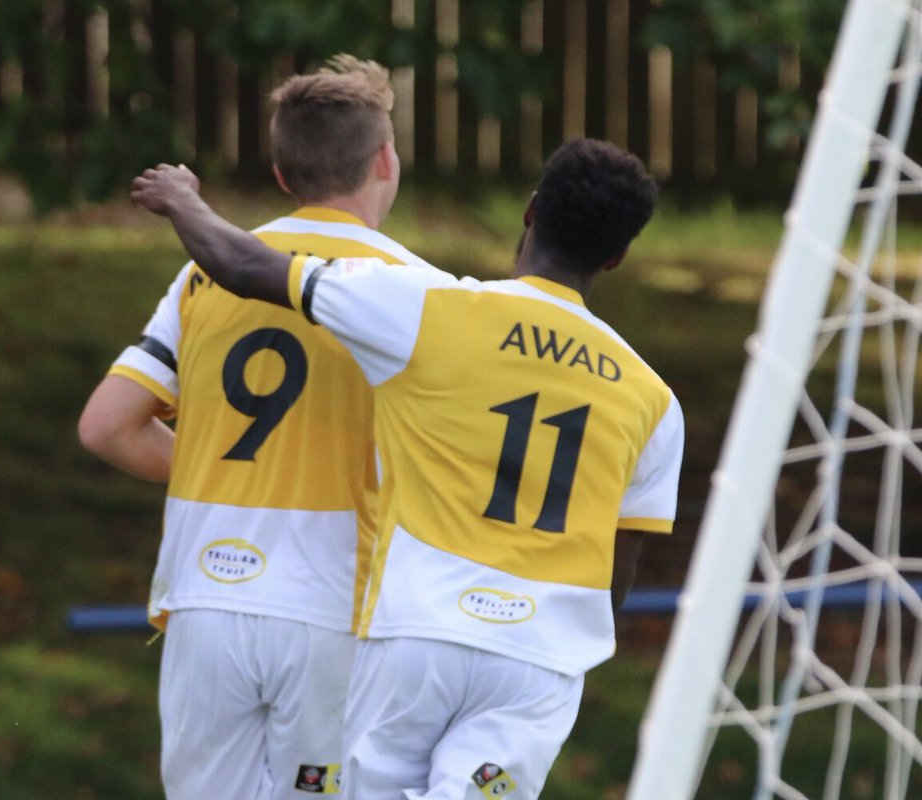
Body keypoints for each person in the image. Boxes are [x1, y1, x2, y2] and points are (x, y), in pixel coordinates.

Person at [129, 138, 684, 800]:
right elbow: (617, 575)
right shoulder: (652, 400)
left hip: (418, 632)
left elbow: (242, 264)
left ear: (532, 211)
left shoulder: (427, 310)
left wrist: (182, 200)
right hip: (538, 661)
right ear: (618, 255)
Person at [79, 55, 428, 799]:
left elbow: (108, 426)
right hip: (336, 603)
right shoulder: (421, 292)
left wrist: (226, 470)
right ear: (384, 161)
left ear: (280, 172)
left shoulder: (203, 273)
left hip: (207, 597)